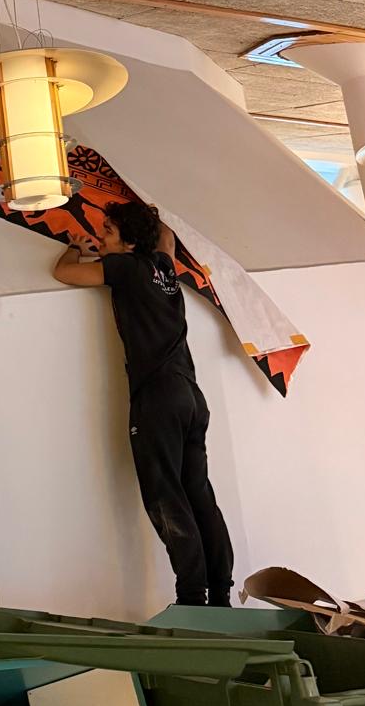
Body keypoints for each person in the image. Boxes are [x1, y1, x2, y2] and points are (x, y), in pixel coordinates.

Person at [52, 201, 234, 608]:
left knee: (165, 496)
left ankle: (192, 597)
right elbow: (166, 237)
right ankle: (220, 593)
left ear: (130, 242)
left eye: (108, 232)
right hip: (190, 395)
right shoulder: (163, 266)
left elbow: (64, 272)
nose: (101, 238)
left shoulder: (126, 268)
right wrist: (147, 214)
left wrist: (76, 247)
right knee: (199, 494)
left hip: (158, 399)